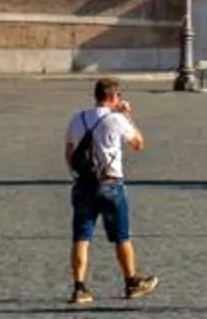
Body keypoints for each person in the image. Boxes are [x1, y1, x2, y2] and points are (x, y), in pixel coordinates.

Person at [61, 77, 159, 307]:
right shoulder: (117, 120)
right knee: (121, 236)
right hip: (111, 184)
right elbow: (138, 143)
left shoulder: (77, 119)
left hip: (83, 184)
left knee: (81, 237)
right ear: (114, 97)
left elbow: (69, 152)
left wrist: (76, 176)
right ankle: (131, 281)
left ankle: (79, 288)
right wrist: (127, 116)